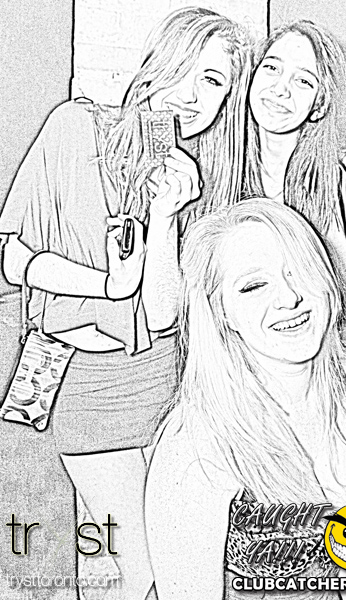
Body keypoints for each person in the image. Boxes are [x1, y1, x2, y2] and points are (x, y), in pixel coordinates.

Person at [0, 7, 252, 599]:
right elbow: (12, 258)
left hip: (161, 384)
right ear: (156, 64)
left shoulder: (205, 182)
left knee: (146, 561)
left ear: (226, 100)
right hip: (83, 382)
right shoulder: (75, 127)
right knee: (141, 566)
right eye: (183, 68)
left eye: (213, 81)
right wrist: (106, 285)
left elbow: (161, 317)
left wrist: (165, 217)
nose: (191, 94)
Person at [145, 199, 346, 600]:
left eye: (300, 270)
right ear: (220, 312)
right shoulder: (197, 448)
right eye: (254, 286)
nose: (289, 297)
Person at [245, 20, 346, 320]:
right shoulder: (225, 168)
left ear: (319, 105)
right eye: (271, 68)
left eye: (303, 81)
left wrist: (323, 211)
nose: (280, 89)